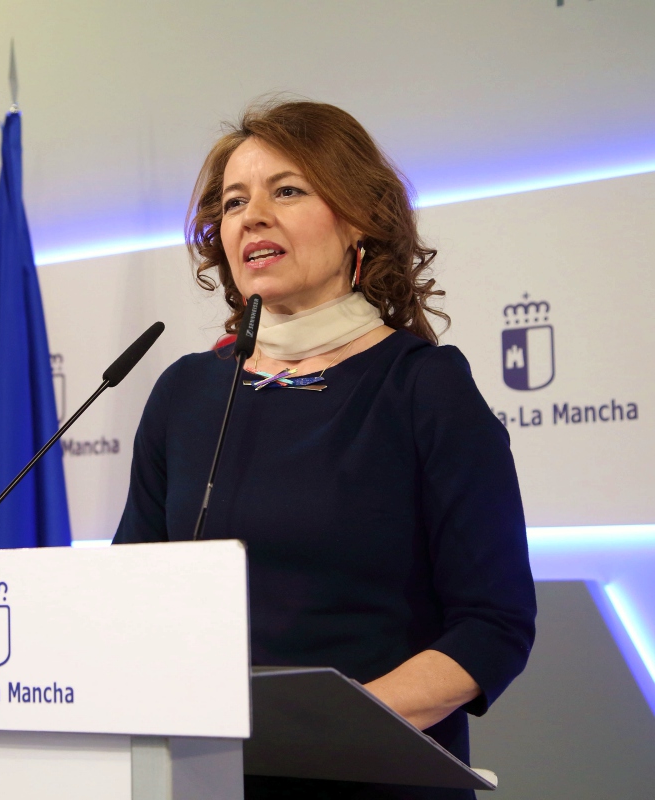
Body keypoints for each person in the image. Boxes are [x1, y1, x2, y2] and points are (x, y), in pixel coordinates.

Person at [112, 100, 537, 800]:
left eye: (287, 191)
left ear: (359, 218)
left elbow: (493, 626)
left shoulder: (424, 387)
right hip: (202, 776)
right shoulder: (184, 393)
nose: (252, 217)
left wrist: (323, 728)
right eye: (234, 202)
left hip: (369, 775)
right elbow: (130, 597)